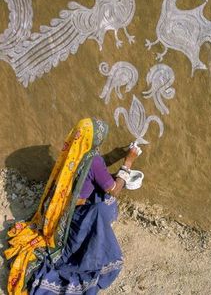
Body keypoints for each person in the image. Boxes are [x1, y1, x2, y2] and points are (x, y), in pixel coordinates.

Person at [4, 118, 141, 295]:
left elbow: (91, 174)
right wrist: (129, 161)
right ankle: (92, 241)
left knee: (101, 196)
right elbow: (113, 191)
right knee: (107, 203)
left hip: (62, 213)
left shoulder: (72, 153)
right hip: (77, 219)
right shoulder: (94, 160)